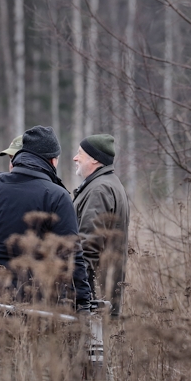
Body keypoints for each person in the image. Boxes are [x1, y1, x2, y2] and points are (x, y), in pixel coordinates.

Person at [0, 125, 92, 313]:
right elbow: (71, 255)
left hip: (0, 300)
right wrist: (82, 303)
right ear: (52, 160)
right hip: (43, 305)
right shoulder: (57, 196)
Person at [72, 134, 130, 317]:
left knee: (93, 337)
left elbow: (88, 246)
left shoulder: (99, 189)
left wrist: (76, 290)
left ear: (95, 159)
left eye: (80, 153)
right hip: (101, 292)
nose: (75, 158)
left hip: (95, 296)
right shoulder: (106, 183)